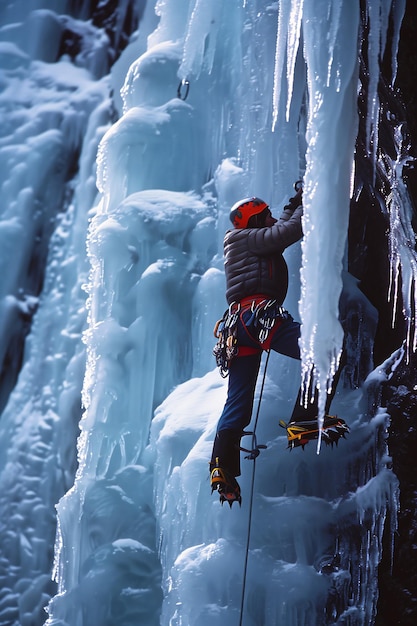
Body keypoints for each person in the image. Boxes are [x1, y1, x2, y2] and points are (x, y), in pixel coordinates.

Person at [210, 191, 349, 506]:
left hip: (238, 330)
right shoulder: (246, 238)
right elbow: (287, 232)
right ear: (254, 221)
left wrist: (292, 206)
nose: (270, 218)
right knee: (324, 347)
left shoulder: (245, 239)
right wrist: (313, 194)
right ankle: (306, 418)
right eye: (265, 215)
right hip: (257, 319)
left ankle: (222, 466)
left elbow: (279, 229)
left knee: (238, 401)